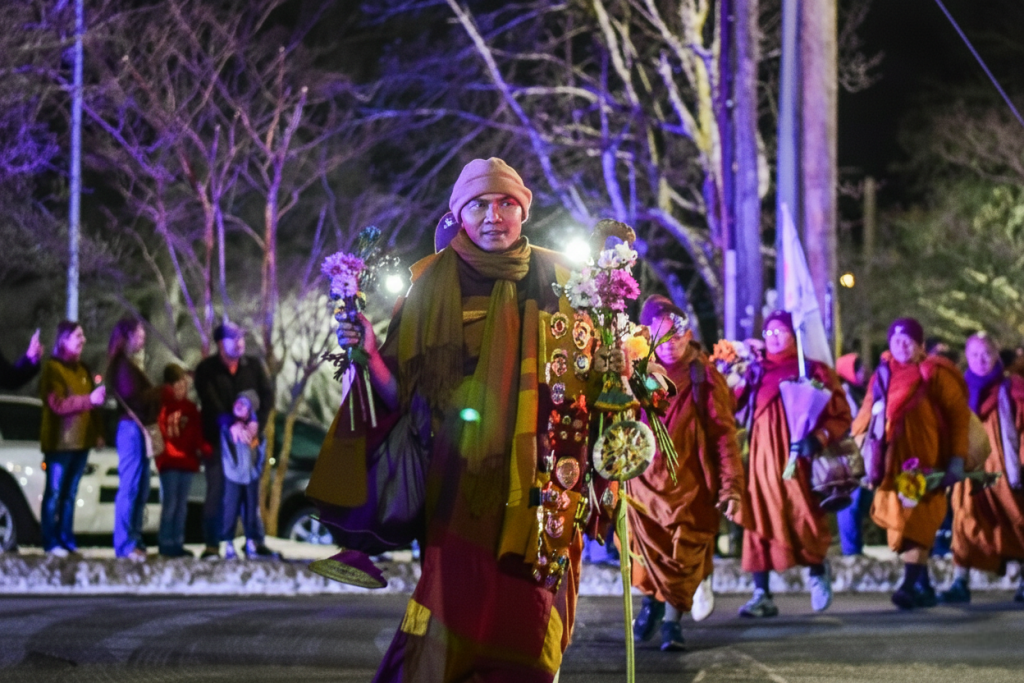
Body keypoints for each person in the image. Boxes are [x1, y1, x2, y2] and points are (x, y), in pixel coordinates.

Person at [315, 158, 591, 682]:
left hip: (542, 483)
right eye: (479, 204)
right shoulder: (428, 281)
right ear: (458, 213)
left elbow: (586, 369)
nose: (494, 216)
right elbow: (401, 396)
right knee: (452, 616)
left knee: (531, 626)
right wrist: (372, 354)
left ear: (524, 211)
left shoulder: (559, 279)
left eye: (507, 203)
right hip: (456, 485)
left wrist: (616, 366)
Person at [626, 295, 746, 652]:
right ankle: (652, 602)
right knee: (647, 553)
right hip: (643, 484)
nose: (671, 345)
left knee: (683, 554)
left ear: (687, 334)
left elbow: (723, 434)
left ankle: (671, 624)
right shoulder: (634, 372)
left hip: (690, 487)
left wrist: (731, 488)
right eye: (661, 339)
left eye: (676, 337)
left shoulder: (703, 375)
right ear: (648, 338)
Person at [736, 310, 852, 618]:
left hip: (797, 458)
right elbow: (734, 405)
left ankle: (817, 572)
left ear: (794, 336)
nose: (773, 338)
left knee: (802, 514)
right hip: (761, 461)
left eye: (780, 332)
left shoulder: (812, 369)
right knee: (759, 518)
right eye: (768, 332)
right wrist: (734, 369)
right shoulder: (756, 370)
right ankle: (761, 593)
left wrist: (819, 438)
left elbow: (840, 415)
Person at [851, 318, 971, 610]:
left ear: (920, 346)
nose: (901, 346)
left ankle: (907, 586)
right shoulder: (883, 374)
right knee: (901, 523)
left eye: (908, 341)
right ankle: (924, 586)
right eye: (896, 341)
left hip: (926, 461)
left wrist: (956, 459)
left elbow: (958, 418)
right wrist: (860, 459)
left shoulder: (935, 373)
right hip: (890, 461)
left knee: (917, 520)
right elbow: (865, 417)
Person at [939, 332, 1024, 603]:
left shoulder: (1012, 387)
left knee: (1015, 517)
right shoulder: (959, 390)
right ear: (967, 357)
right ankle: (959, 581)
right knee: (965, 520)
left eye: (986, 353)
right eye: (974, 354)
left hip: (1003, 465)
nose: (981, 359)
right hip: (969, 467)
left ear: (996, 354)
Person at [194, 322, 275, 560]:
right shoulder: (207, 369)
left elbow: (267, 396)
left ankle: (255, 541)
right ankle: (212, 544)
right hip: (220, 439)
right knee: (218, 491)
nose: (240, 343)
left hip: (250, 439)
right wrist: (231, 423)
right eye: (234, 338)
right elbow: (210, 401)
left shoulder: (254, 366)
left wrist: (255, 422)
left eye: (241, 338)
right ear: (221, 343)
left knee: (251, 490)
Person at [38, 321, 105, 556]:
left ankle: (66, 538)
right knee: (54, 493)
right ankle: (50, 541)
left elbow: (92, 405)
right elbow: (57, 404)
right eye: (78, 335)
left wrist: (97, 433)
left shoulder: (83, 369)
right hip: (59, 444)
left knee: (69, 495)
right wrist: (89, 401)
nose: (83, 340)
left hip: (81, 443)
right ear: (63, 340)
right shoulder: (53, 369)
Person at [107, 317, 161, 561]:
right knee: (130, 486)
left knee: (140, 487)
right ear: (127, 336)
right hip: (131, 430)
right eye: (139, 334)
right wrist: (160, 392)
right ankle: (125, 543)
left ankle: (134, 539)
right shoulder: (122, 367)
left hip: (138, 430)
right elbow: (136, 399)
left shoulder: (130, 366)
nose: (143, 339)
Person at [155, 363, 210, 558]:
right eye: (178, 386)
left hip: (186, 462)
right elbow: (159, 434)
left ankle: (177, 542)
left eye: (184, 386)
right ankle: (165, 542)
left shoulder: (190, 409)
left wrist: (204, 449)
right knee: (170, 504)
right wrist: (163, 455)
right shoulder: (163, 408)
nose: (182, 390)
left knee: (181, 505)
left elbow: (196, 434)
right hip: (169, 463)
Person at [220, 390, 275, 560]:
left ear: (250, 409)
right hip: (233, 477)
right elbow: (226, 451)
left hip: (251, 477)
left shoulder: (255, 430)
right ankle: (228, 543)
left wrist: (257, 470)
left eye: (244, 404)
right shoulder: (229, 428)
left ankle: (251, 542)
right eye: (238, 402)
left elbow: (260, 451)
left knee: (251, 510)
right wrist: (231, 469)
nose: (239, 406)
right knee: (231, 509)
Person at [835, 352, 873, 556]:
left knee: (861, 501)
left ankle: (855, 547)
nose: (864, 371)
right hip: (849, 456)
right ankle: (851, 550)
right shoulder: (843, 393)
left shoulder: (863, 392)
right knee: (851, 503)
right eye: (858, 368)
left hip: (863, 455)